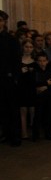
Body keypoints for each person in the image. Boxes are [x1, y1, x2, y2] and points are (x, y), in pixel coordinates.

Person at [0, 10, 22, 147]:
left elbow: (16, 60)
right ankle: (6, 133)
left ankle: (15, 136)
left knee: (12, 109)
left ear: (4, 22)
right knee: (1, 109)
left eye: (0, 20)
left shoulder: (10, 39)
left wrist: (14, 77)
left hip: (8, 79)